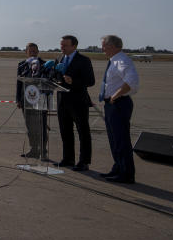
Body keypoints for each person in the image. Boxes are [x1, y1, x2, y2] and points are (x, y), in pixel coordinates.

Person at [99, 35, 140, 184]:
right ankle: (118, 168)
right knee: (114, 140)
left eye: (104, 46)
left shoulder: (122, 60)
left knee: (121, 140)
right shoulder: (114, 60)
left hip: (119, 104)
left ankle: (126, 174)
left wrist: (115, 96)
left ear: (113, 46)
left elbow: (132, 81)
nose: (102, 48)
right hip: (112, 105)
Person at [55, 35, 96, 171]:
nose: (62, 48)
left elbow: (90, 81)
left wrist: (73, 81)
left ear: (74, 46)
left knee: (83, 132)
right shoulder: (59, 58)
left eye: (65, 45)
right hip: (62, 101)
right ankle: (68, 158)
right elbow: (57, 77)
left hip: (78, 101)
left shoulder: (83, 60)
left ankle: (84, 161)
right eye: (61, 45)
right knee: (65, 131)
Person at [16, 43, 49, 159]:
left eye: (35, 51)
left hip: (41, 99)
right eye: (31, 51)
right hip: (26, 99)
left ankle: (43, 151)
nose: (33, 53)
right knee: (30, 126)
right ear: (26, 52)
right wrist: (18, 100)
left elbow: (49, 82)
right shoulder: (22, 65)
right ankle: (34, 149)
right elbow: (19, 83)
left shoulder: (45, 64)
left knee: (41, 126)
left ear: (38, 51)